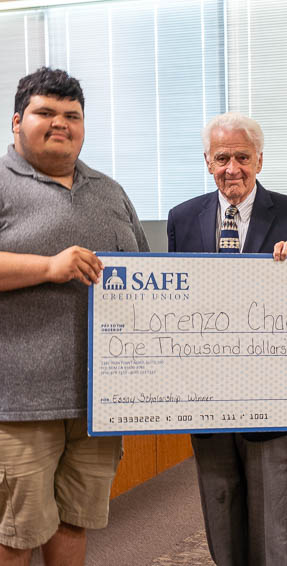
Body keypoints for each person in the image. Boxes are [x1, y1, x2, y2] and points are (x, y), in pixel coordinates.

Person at [0, 67, 149, 566]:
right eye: (46, 112)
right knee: (16, 534)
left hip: (99, 400)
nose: (60, 123)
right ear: (18, 121)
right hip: (19, 403)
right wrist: (48, 267)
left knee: (74, 521)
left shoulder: (110, 190)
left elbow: (149, 272)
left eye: (72, 115)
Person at [167, 111, 287, 566]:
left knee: (269, 513)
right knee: (219, 506)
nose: (231, 167)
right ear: (207, 162)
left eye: (241, 156)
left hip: (272, 396)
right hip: (207, 394)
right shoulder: (183, 218)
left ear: (259, 160)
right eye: (221, 158)